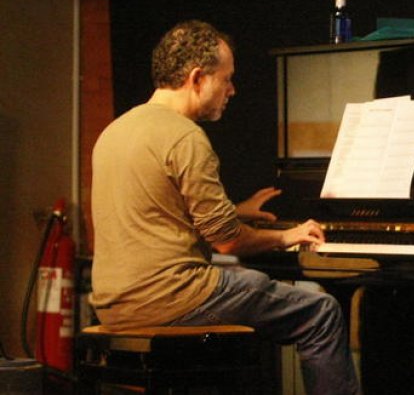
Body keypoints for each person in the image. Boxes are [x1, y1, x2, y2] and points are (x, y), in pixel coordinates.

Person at [90, 20, 362, 395]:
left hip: (114, 302)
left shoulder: (115, 131)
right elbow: (228, 243)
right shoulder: (185, 136)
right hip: (174, 299)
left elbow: (158, 212)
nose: (232, 90)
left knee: (255, 292)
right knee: (321, 312)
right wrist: (288, 236)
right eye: (227, 79)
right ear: (198, 78)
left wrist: (239, 210)